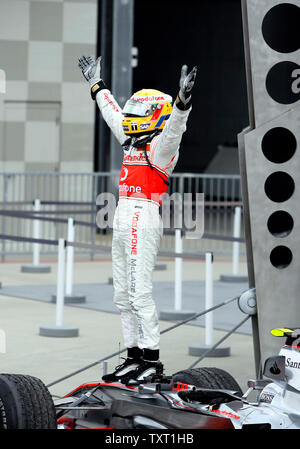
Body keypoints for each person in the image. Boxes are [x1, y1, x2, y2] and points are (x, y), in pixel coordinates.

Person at [78, 55, 197, 384]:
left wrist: (183, 102)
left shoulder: (161, 148)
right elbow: (112, 113)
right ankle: (132, 357)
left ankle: (152, 360)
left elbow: (176, 128)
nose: (131, 118)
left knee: (139, 293)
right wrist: (96, 84)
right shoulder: (131, 142)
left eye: (140, 113)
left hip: (143, 216)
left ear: (154, 115)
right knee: (122, 295)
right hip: (122, 214)